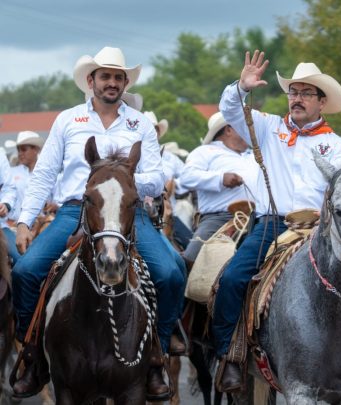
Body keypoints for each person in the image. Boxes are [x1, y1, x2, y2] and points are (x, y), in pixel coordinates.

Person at [11, 47, 184, 400]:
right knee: (25, 272)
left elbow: (156, 173)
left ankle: (156, 355)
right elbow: (45, 173)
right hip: (76, 208)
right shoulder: (68, 120)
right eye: (105, 76)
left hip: (125, 211)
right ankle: (34, 356)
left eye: (118, 77)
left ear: (124, 84)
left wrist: (123, 180)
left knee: (171, 272)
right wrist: (26, 222)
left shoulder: (140, 124)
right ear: (91, 81)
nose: (112, 82)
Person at [214, 50, 341, 392]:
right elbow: (230, 111)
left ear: (321, 102)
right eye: (293, 92)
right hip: (274, 224)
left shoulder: (334, 144)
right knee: (231, 279)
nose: (297, 99)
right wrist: (241, 87)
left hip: (321, 230)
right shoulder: (267, 126)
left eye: (306, 93)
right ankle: (230, 357)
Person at [180, 112, 258, 265]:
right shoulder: (205, 152)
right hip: (220, 219)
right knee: (192, 260)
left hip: (259, 218)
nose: (251, 132)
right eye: (244, 127)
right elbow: (186, 177)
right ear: (229, 129)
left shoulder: (253, 156)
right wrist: (221, 178)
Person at [143, 110, 193, 250]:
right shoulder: (132, 155)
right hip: (140, 214)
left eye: (154, 130)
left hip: (168, 213)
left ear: (158, 133)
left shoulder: (170, 158)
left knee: (191, 246)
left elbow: (188, 178)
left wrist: (174, 185)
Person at [1, 132, 44, 264]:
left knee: (27, 261)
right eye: (18, 150)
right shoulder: (13, 172)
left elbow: (8, 189)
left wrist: (5, 204)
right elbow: (8, 190)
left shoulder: (46, 173)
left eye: (24, 149)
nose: (20, 153)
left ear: (35, 149)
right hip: (13, 223)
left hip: (40, 223)